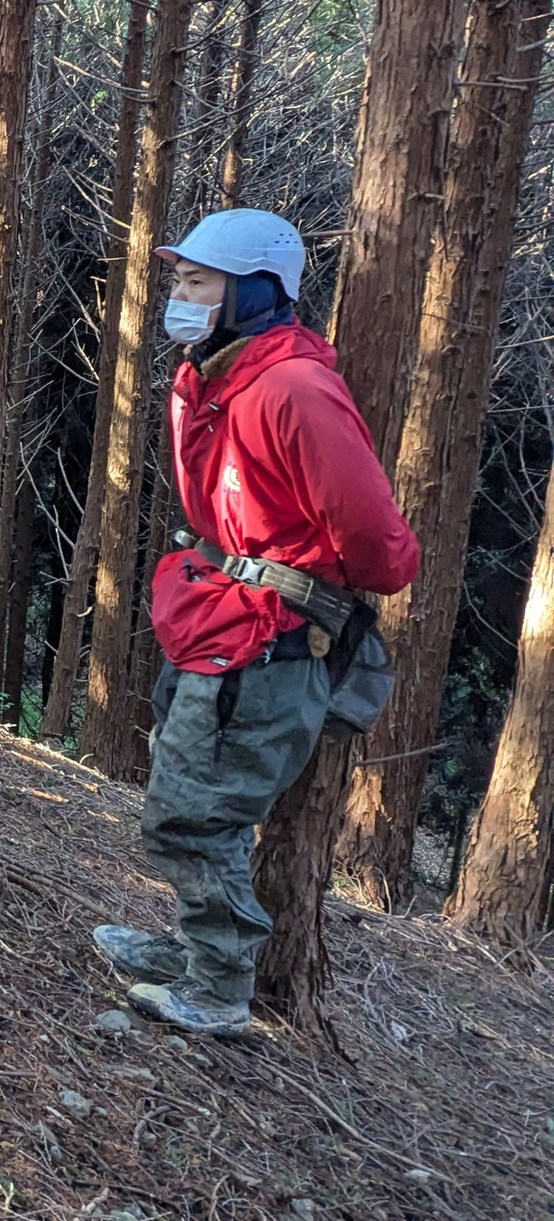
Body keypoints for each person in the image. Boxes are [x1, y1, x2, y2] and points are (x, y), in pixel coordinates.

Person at [92, 207, 419, 1035]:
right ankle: (193, 948)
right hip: (217, 621)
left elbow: (380, 546)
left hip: (265, 644)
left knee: (195, 814)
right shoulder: (215, 375)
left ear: (253, 293)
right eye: (178, 278)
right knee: (189, 797)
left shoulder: (294, 388)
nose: (179, 293)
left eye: (197, 280)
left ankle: (220, 986)